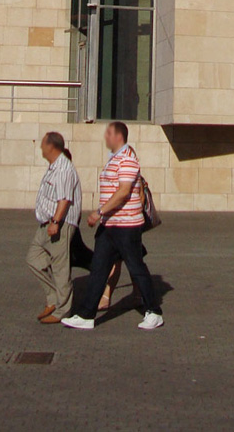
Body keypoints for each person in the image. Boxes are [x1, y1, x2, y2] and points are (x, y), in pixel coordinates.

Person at [61, 120, 163, 331]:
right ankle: (87, 315)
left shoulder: (127, 160)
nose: (106, 137)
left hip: (126, 227)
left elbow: (124, 191)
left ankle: (154, 311)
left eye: (109, 133)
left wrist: (100, 212)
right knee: (99, 269)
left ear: (119, 136)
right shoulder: (113, 159)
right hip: (109, 227)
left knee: (136, 268)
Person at [26, 131, 82, 324]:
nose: (41, 147)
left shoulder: (64, 169)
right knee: (33, 258)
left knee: (60, 268)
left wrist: (56, 222)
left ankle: (62, 311)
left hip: (59, 224)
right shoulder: (53, 168)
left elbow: (65, 199)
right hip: (46, 223)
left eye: (43, 144)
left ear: (51, 147)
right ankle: (53, 298)